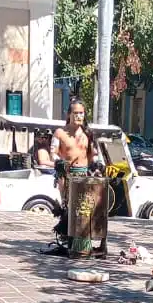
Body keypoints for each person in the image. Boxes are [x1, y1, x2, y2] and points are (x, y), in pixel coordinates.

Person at [49, 98, 101, 256]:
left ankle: (82, 244)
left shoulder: (88, 134)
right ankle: (70, 242)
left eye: (81, 113)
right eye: (76, 113)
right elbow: (53, 153)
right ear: (69, 114)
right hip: (67, 176)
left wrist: (97, 164)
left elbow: (94, 155)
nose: (79, 116)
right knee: (69, 210)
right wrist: (57, 162)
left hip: (85, 176)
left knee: (85, 211)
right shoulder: (60, 132)